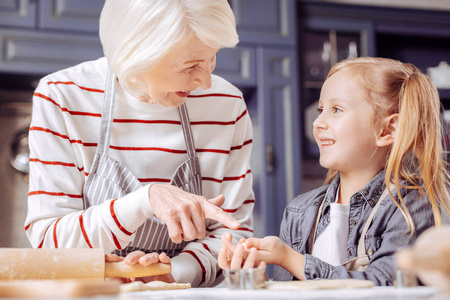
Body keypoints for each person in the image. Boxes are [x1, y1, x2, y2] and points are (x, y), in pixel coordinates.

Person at [25, 0, 255, 287]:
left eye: (212, 58)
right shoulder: (62, 98)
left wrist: (175, 274)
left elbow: (235, 234)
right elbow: (49, 243)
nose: (206, 81)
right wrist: (145, 201)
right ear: (136, 54)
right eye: (190, 66)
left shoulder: (227, 105)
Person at [218, 57, 450, 286]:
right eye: (321, 109)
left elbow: (381, 284)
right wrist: (254, 280)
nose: (317, 122)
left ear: (388, 129)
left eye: (336, 109)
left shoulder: (412, 205)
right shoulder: (299, 212)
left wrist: (289, 258)